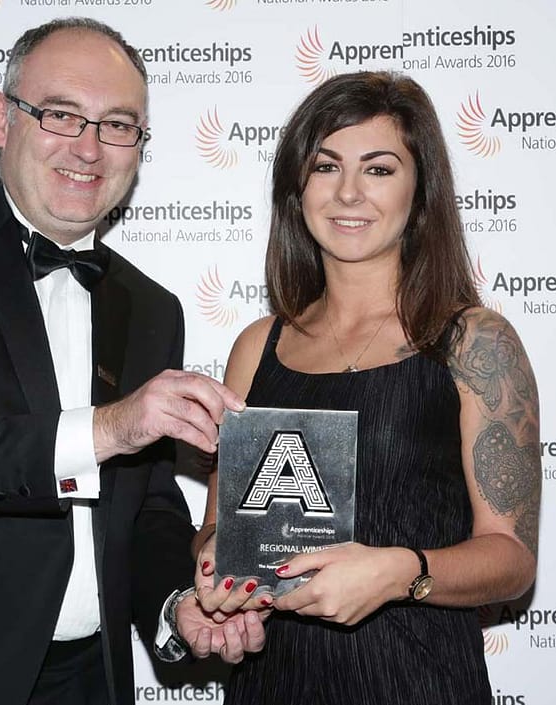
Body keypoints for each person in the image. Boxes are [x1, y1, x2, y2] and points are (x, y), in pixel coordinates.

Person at [0, 17, 264, 705]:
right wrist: (108, 427)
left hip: (89, 680)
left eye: (117, 124)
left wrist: (175, 605)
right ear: (1, 120)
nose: (89, 147)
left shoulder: (152, 306)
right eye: (61, 114)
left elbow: (145, 506)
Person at [189, 71, 541, 704]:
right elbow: (216, 530)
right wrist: (215, 566)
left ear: (420, 191)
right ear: (296, 189)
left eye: (378, 169)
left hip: (420, 682)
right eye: (326, 167)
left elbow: (512, 559)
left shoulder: (474, 342)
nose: (348, 192)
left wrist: (401, 572)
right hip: (270, 683)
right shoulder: (255, 348)